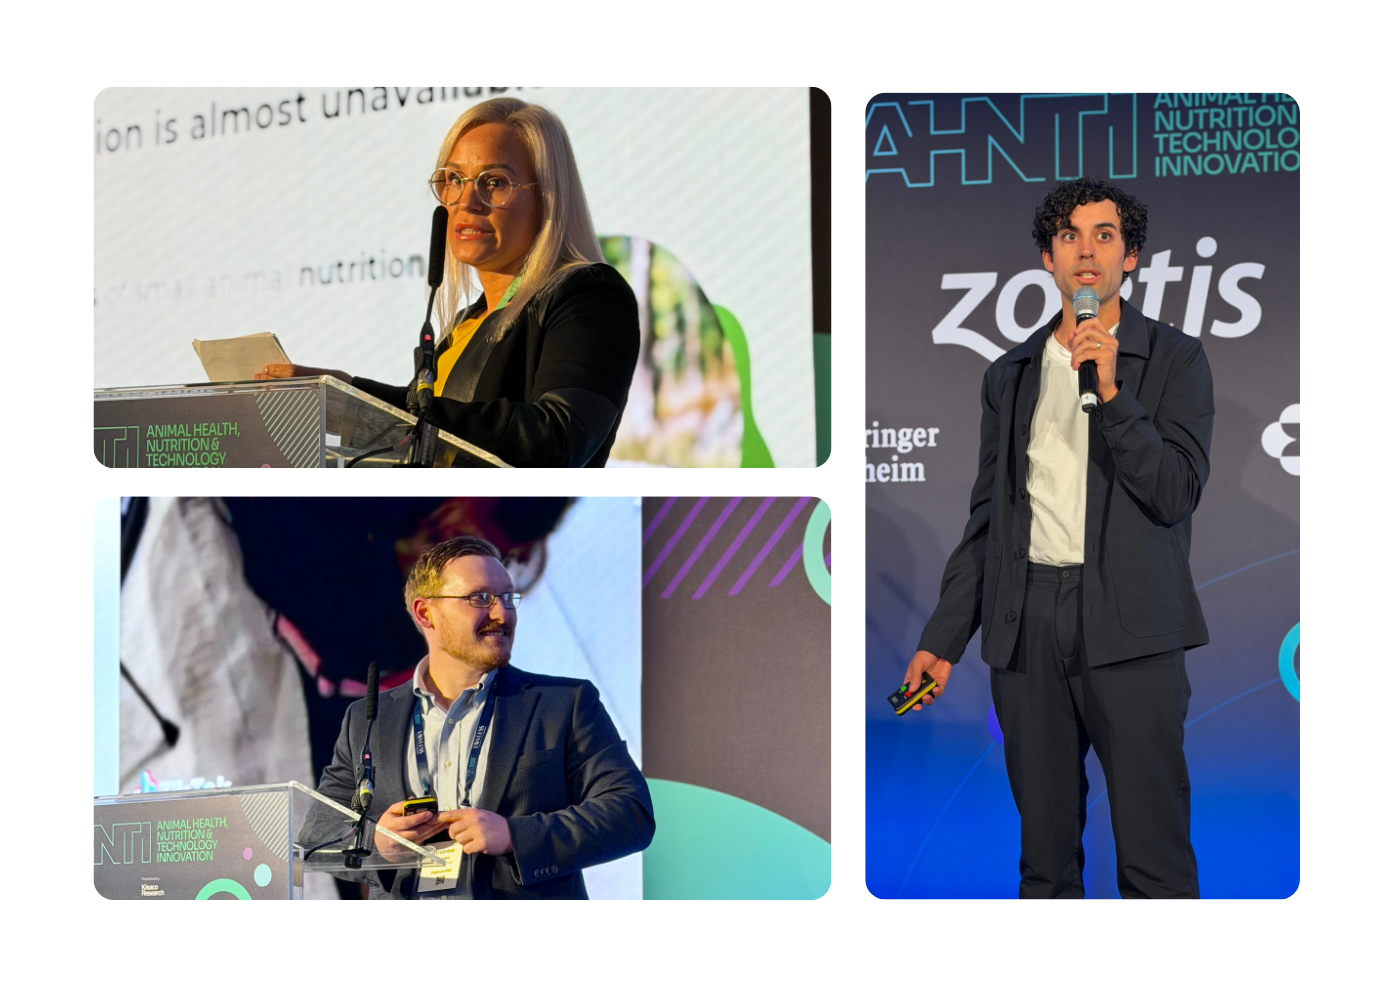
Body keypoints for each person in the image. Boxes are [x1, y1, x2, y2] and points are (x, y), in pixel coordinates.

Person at [902, 178, 1213, 899]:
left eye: (1105, 235)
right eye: (1070, 236)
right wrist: (943, 639)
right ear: (1048, 257)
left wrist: (1112, 393)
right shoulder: (1009, 375)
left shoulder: (1175, 359)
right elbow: (989, 521)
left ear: (1130, 257)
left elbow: (1174, 492)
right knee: (1044, 863)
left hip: (1132, 629)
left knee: (1156, 860)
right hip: (1028, 624)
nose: (1087, 251)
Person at [255, 97, 640, 468]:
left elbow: (557, 439)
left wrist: (356, 402)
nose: (466, 201)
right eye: (454, 179)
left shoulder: (589, 295)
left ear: (548, 198)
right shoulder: (464, 325)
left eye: (494, 181)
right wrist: (340, 398)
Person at [315, 535, 654, 898]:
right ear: (425, 613)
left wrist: (513, 835)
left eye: (508, 598)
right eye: (480, 598)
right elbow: (317, 836)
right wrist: (378, 842)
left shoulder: (564, 704)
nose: (502, 614)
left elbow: (630, 813)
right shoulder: (367, 719)